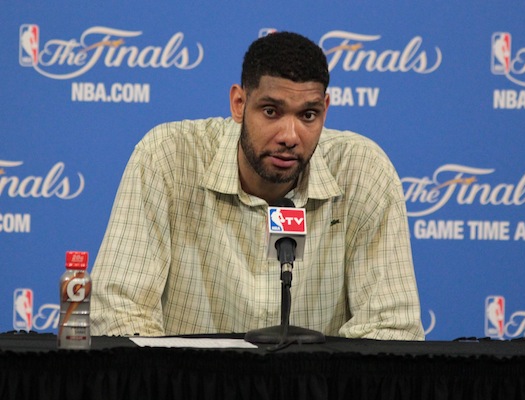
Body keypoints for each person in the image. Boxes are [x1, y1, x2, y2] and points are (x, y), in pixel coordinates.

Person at [90, 31, 424, 341]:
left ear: (325, 109)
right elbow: (120, 312)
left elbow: (392, 329)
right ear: (239, 104)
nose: (289, 136)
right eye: (271, 111)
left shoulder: (363, 171)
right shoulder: (168, 158)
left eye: (308, 115)